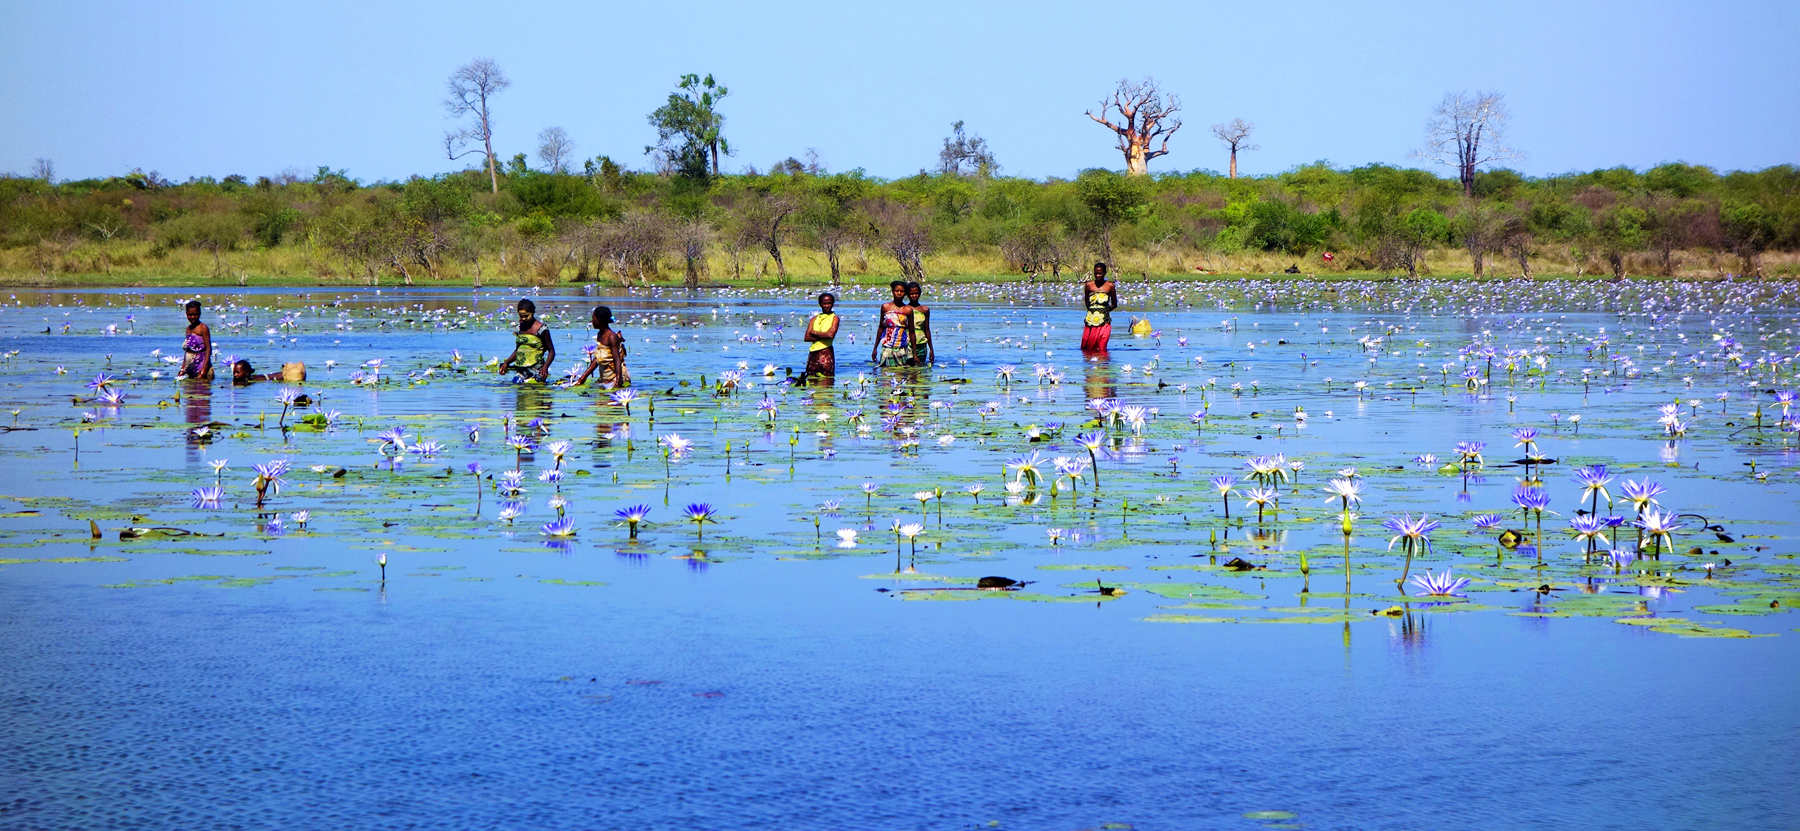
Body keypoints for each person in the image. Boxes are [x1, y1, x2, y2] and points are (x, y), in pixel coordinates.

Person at [569, 305, 630, 389]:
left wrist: (618, 381)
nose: (592, 321)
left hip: (615, 379)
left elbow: (617, 360)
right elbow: (597, 359)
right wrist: (582, 378)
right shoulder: (600, 335)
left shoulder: (611, 337)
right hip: (605, 380)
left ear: (600, 320)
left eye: (594, 319)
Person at [498, 298, 555, 382]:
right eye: (521, 316)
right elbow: (518, 351)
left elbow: (551, 351)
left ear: (532, 313)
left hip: (537, 370)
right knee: (518, 389)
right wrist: (506, 362)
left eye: (526, 316)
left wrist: (545, 367)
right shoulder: (519, 328)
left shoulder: (542, 329)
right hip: (521, 370)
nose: (523, 319)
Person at [799, 292, 840, 383]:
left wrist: (814, 332)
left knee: (827, 380)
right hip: (813, 353)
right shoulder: (814, 319)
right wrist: (823, 335)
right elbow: (806, 337)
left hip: (826, 353)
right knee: (811, 381)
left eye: (829, 303)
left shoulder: (834, 318)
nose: (826, 306)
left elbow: (830, 335)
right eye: (824, 303)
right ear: (820, 304)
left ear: (833, 304)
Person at [871, 281, 912, 367]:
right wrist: (875, 348)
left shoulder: (908, 310)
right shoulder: (885, 307)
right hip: (887, 347)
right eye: (897, 291)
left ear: (905, 293)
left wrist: (914, 354)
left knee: (901, 375)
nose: (899, 293)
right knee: (885, 374)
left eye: (902, 291)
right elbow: (881, 327)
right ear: (892, 291)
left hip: (902, 347)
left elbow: (912, 332)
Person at [1081, 262, 1118, 353]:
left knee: (1102, 345)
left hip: (1104, 321)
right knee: (1088, 347)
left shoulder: (1110, 286)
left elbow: (1114, 304)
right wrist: (1092, 312)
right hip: (1091, 321)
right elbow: (1087, 302)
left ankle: (1103, 365)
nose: (1097, 275)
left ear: (1104, 273)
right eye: (1096, 273)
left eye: (1100, 273)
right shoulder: (1089, 285)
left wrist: (1104, 311)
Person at [178, 299, 213, 380]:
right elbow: (188, 351)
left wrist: (204, 369)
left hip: (203, 367)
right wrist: (183, 369)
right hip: (191, 367)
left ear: (200, 314)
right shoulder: (188, 329)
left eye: (195, 314)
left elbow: (208, 349)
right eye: (190, 315)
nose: (192, 317)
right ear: (186, 314)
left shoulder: (203, 328)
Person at [905, 281, 934, 366]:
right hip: (907, 343)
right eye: (911, 294)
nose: (914, 296)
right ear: (907, 295)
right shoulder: (905, 309)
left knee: (920, 369)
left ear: (920, 294)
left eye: (916, 293)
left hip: (921, 344)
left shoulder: (925, 310)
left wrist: (931, 349)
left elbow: (927, 329)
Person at [232, 359, 307, 385]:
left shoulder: (248, 381)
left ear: (247, 373)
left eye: (237, 372)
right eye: (234, 372)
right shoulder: (250, 378)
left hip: (279, 378)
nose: (235, 375)